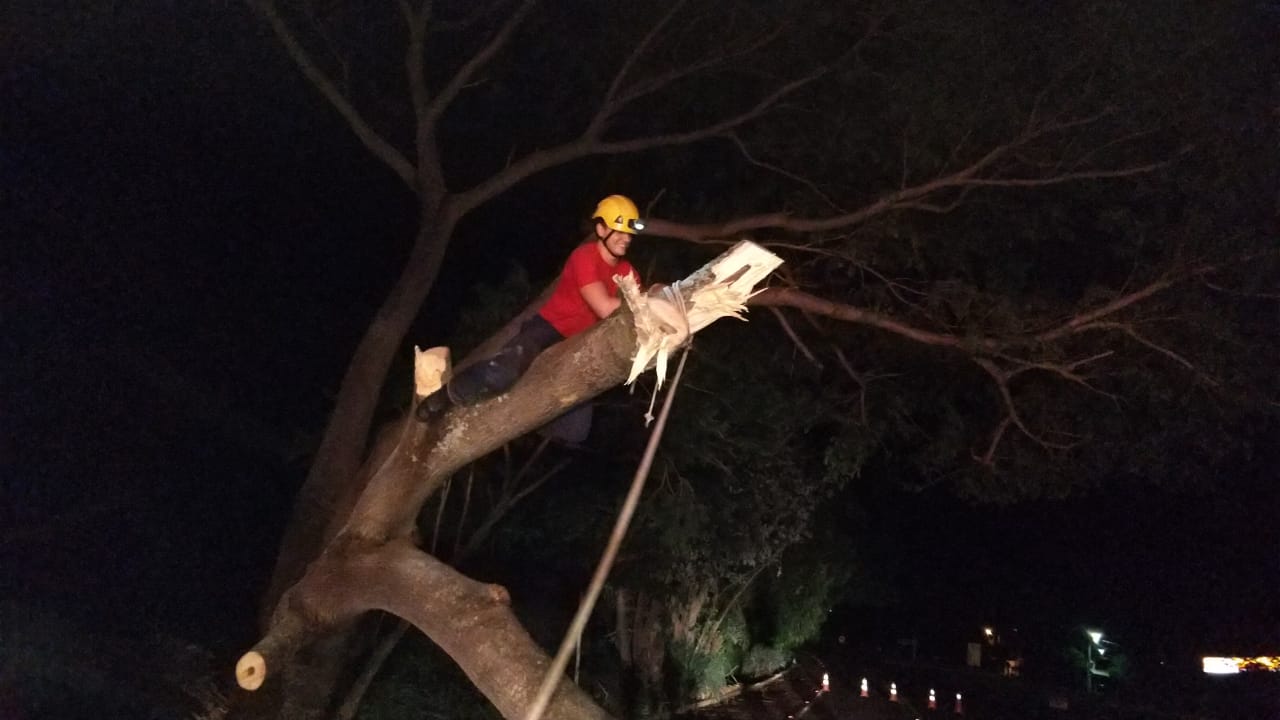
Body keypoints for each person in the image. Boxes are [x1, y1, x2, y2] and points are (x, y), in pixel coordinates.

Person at [415, 194, 645, 442]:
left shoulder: (628, 272)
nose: (626, 239)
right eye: (619, 231)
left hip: (582, 342)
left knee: (575, 431)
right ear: (601, 229)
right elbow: (604, 308)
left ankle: (515, 408)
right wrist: (642, 304)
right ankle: (447, 396)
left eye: (629, 233)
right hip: (548, 329)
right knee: (502, 372)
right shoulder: (585, 256)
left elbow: (641, 315)